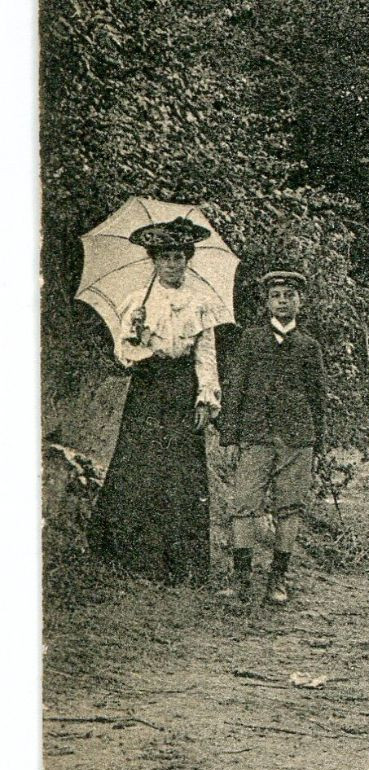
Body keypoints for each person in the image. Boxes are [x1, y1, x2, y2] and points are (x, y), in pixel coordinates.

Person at [88, 217, 223, 584]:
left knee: (180, 472)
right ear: (154, 261)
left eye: (178, 257)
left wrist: (204, 397)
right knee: (141, 464)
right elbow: (123, 355)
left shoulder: (200, 304)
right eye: (164, 258)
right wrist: (136, 336)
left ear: (187, 260)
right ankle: (136, 558)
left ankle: (184, 565)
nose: (172, 265)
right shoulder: (137, 301)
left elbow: (205, 356)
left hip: (181, 388)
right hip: (148, 387)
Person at [218, 269, 326, 606]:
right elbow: (234, 388)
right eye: (276, 295)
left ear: (300, 301)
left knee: (289, 509)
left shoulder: (309, 346)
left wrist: (317, 442)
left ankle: (278, 578)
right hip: (255, 434)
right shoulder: (249, 340)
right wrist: (230, 436)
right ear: (266, 302)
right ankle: (241, 578)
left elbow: (317, 396)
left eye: (289, 295)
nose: (283, 301)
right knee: (243, 505)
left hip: (296, 438)